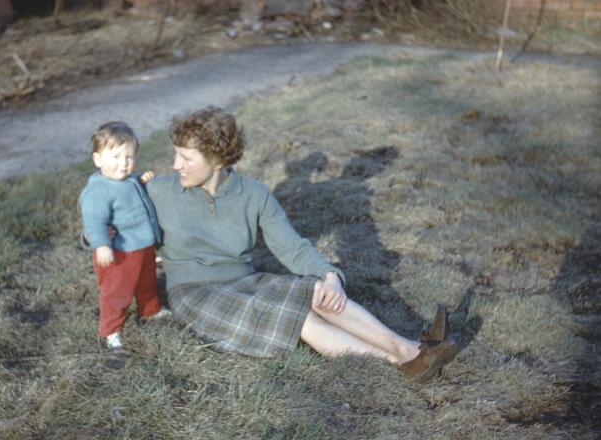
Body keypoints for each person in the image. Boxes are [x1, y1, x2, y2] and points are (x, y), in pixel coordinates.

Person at [101, 107, 460, 380]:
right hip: (194, 292)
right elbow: (104, 220)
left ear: (217, 159)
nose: (175, 164)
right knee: (301, 318)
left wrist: (330, 276)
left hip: (246, 280)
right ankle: (400, 362)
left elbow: (291, 247)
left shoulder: (254, 194)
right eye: (176, 154)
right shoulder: (158, 189)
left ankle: (411, 347)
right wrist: (101, 236)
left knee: (319, 293)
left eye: (186, 158)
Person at [79, 121, 170, 351]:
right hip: (119, 252)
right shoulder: (98, 190)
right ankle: (111, 330)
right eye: (116, 157)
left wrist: (142, 180)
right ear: (98, 160)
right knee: (116, 291)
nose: (124, 163)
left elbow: (132, 188)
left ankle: (149, 310)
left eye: (129, 157)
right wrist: (101, 245)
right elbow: (94, 220)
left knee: (147, 282)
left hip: (142, 246)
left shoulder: (129, 180)